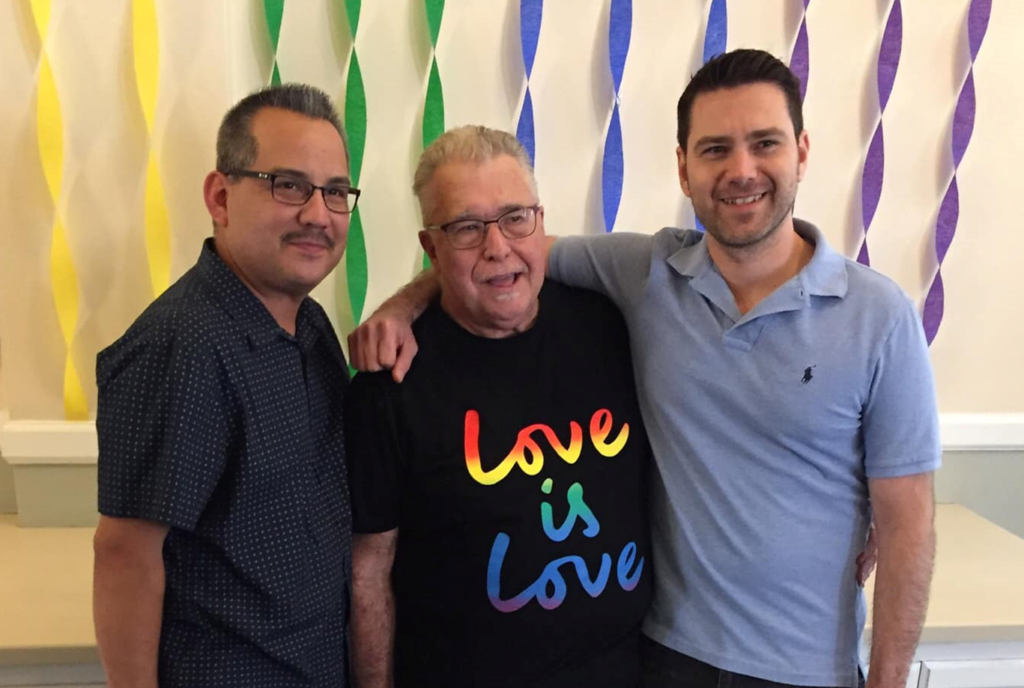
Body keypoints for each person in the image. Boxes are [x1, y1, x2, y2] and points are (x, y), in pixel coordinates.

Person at [348, 50, 939, 688]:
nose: (741, 170)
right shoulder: (646, 276)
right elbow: (499, 260)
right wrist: (401, 305)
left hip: (805, 671)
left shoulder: (879, 317)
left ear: (801, 150)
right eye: (715, 149)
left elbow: (909, 524)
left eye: (763, 142)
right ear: (684, 170)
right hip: (663, 659)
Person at [346, 125, 652, 688]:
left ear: (540, 222)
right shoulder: (391, 382)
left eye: (515, 218)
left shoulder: (615, 323)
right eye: (466, 227)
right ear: (431, 248)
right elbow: (369, 570)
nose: (498, 246)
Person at [93, 84, 358, 688]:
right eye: (288, 185)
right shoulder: (183, 347)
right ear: (221, 196)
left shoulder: (308, 325)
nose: (317, 213)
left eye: (336, 192)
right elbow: (125, 554)